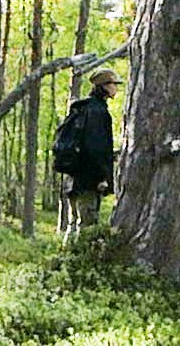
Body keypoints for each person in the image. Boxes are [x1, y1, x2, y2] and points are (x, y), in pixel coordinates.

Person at [63, 67, 119, 245]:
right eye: (113, 84)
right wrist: (102, 177)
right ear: (103, 86)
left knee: (74, 223)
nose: (116, 88)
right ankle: (76, 265)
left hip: (72, 178)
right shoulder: (98, 112)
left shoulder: (83, 108)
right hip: (88, 180)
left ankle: (64, 264)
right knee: (86, 226)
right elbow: (95, 148)